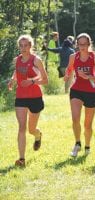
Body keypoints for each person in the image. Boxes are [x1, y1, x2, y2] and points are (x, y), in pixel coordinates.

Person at [7, 34, 48, 167]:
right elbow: (17, 71)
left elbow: (45, 80)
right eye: (21, 45)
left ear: (31, 46)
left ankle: (37, 135)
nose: (23, 48)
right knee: (21, 127)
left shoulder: (36, 60)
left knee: (31, 129)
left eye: (26, 45)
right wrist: (13, 80)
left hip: (35, 98)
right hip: (21, 97)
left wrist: (31, 81)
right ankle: (22, 159)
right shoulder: (17, 59)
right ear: (19, 46)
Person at [64, 33, 95, 157]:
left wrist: (88, 77)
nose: (82, 47)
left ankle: (87, 146)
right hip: (77, 90)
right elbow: (69, 69)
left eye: (85, 44)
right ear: (77, 45)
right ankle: (77, 143)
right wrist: (67, 74)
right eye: (80, 44)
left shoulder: (94, 57)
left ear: (89, 44)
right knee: (75, 119)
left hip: (91, 91)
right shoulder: (73, 57)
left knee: (87, 124)